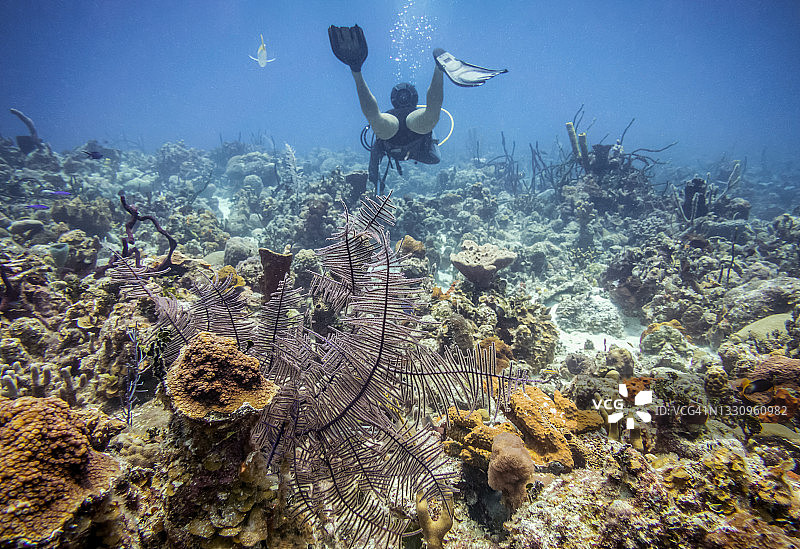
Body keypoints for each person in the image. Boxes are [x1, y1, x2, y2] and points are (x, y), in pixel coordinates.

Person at [328, 25, 507, 194]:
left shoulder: (388, 135)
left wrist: (375, 184)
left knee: (378, 120)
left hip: (391, 124)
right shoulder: (420, 139)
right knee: (427, 115)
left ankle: (356, 69)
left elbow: (374, 163)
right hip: (412, 123)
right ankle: (439, 68)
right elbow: (434, 157)